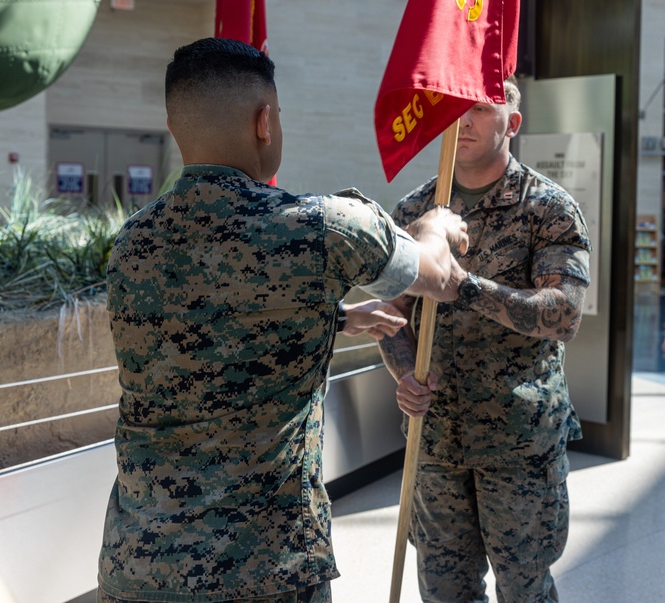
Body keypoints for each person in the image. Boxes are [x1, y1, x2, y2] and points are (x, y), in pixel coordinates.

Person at [97, 37, 470, 603]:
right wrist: (437, 225)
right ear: (264, 122)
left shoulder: (132, 244)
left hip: (139, 567)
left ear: (175, 128)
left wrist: (337, 318)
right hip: (265, 570)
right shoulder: (322, 228)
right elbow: (438, 277)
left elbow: (204, 323)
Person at [377, 77, 591, 602]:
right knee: (446, 587)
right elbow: (392, 314)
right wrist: (404, 374)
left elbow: (562, 315)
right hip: (435, 440)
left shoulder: (548, 208)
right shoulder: (414, 212)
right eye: (452, 109)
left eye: (477, 108)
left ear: (511, 124)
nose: (461, 121)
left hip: (519, 441)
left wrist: (464, 288)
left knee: (524, 588)